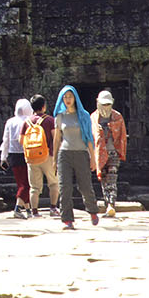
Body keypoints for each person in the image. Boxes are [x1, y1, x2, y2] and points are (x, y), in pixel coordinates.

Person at [50, 86, 101, 229]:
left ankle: (92, 210)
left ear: (75, 98)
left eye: (70, 97)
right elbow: (57, 139)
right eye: (65, 97)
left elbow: (89, 137)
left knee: (85, 186)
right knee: (64, 187)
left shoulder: (83, 115)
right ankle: (67, 219)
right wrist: (54, 159)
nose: (67, 100)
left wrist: (93, 158)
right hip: (64, 154)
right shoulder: (60, 117)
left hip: (81, 153)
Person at [92, 91, 128, 216]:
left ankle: (111, 204)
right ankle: (107, 204)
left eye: (108, 104)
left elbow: (122, 135)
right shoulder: (93, 118)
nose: (106, 107)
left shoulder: (117, 117)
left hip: (113, 152)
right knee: (103, 179)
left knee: (112, 178)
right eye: (103, 104)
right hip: (100, 153)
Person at [25, 94, 59, 216]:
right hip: (48, 155)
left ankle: (34, 211)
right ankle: (53, 208)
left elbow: (21, 140)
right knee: (54, 183)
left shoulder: (27, 122)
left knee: (34, 187)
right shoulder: (50, 120)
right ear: (44, 106)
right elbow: (55, 138)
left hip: (32, 157)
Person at [1, 98, 35, 219]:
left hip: (13, 155)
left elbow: (6, 140)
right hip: (27, 154)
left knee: (21, 182)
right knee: (26, 184)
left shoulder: (10, 122)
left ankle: (28, 209)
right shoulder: (30, 121)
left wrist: (3, 157)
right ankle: (17, 208)